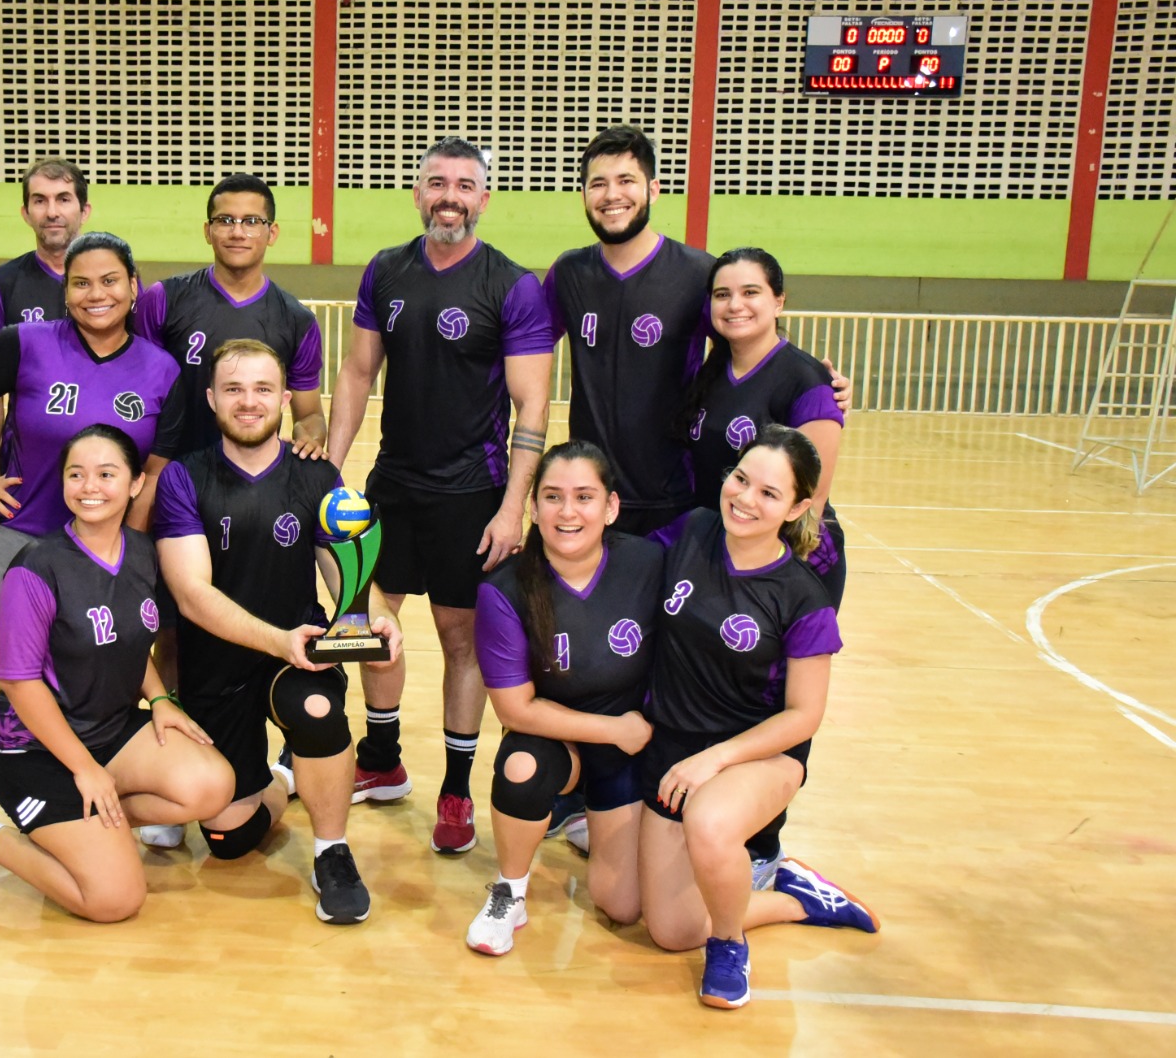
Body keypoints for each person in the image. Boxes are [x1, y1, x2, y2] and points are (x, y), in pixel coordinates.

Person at [542, 125, 851, 870]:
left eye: (627, 180)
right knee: (630, 657)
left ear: (652, 187)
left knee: (755, 676)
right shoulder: (577, 280)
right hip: (658, 521)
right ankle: (614, 796)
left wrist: (821, 381)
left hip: (756, 542)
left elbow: (809, 476)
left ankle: (759, 842)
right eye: (598, 182)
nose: (612, 194)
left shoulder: (710, 291)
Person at [328, 136, 554, 855]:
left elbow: (533, 410)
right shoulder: (386, 271)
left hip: (472, 492)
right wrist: (326, 471)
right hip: (394, 484)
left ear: (484, 198)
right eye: (436, 183)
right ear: (418, 193)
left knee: (462, 640)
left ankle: (456, 787)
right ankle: (382, 759)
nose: (449, 196)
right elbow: (359, 375)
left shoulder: (513, 286)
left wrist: (513, 505)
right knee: (366, 621)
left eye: (464, 184)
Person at [0, 423, 235, 921]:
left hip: (107, 731)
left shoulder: (143, 554)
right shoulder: (35, 568)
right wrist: (84, 770)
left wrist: (159, 699)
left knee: (211, 785)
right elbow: (19, 682)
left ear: (135, 484)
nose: (90, 487)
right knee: (115, 900)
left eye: (106, 474)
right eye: (76, 474)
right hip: (33, 750)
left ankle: (84, 829)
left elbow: (130, 641)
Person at [155, 339, 402, 924]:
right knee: (229, 837)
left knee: (317, 708)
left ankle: (331, 851)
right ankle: (284, 777)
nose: (249, 402)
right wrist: (278, 638)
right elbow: (192, 595)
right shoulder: (184, 480)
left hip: (298, 658)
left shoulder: (316, 475)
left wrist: (380, 620)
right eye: (234, 390)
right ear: (212, 398)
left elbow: (348, 574)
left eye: (263, 389)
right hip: (215, 666)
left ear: (285, 399)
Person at [637, 425, 878, 1009]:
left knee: (711, 826)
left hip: (761, 754)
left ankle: (728, 942)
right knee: (666, 929)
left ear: (798, 507)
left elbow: (804, 715)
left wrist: (714, 759)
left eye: (769, 494)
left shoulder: (803, 598)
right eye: (741, 479)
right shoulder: (693, 530)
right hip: (674, 744)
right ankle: (795, 898)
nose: (745, 499)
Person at [465, 442, 661, 956]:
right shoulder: (505, 590)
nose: (568, 512)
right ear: (533, 508)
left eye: (584, 496)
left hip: (629, 753)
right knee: (521, 766)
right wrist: (615, 729)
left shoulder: (647, 562)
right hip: (563, 741)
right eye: (552, 497)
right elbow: (515, 710)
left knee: (621, 905)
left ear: (611, 507)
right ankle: (509, 893)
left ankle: (592, 823)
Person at [0, 231, 185, 614]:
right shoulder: (23, 343)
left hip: (105, 547)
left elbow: (154, 473)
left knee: (98, 661)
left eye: (110, 280)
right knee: (23, 665)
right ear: (66, 291)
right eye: (81, 283)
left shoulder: (163, 371)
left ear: (133, 286)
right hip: (21, 536)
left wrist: (129, 546)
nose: (96, 295)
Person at [684, 247, 847, 608]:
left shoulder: (807, 382)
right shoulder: (709, 374)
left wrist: (767, 575)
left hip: (787, 562)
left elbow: (812, 501)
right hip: (724, 551)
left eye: (750, 292)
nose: (734, 304)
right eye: (722, 295)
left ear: (778, 301)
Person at [133, 173, 327, 458]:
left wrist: (309, 438)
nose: (237, 232)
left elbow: (309, 415)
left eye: (251, 222)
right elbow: (134, 390)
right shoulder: (164, 299)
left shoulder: (297, 321)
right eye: (224, 221)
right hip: (171, 474)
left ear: (271, 233)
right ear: (207, 231)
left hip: (252, 483)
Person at [0, 158, 93, 470]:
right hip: (26, 460)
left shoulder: (117, 278)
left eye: (63, 199)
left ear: (84, 211)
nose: (52, 212)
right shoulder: (4, 282)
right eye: (40, 201)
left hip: (100, 454)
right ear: (26, 213)